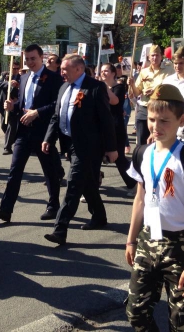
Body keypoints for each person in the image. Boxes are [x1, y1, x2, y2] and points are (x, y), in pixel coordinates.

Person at [124, 84, 184, 331]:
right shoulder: (142, 153)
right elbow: (140, 199)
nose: (156, 126)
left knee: (180, 321)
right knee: (136, 313)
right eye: (152, 119)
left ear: (181, 120)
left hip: (179, 247)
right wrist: (131, 240)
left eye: (164, 121)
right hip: (147, 240)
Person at [42, 54, 117, 245]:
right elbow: (56, 116)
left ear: (79, 69)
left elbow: (106, 120)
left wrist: (111, 148)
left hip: (89, 146)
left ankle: (60, 230)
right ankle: (99, 217)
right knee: (88, 183)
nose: (62, 72)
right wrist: (49, 138)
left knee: (73, 185)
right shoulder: (64, 87)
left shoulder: (95, 87)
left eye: (65, 69)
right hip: (70, 144)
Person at [0, 44, 63, 223]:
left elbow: (57, 105)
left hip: (44, 132)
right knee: (15, 170)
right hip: (23, 131)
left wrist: (37, 112)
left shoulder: (53, 78)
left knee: (50, 170)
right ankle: (6, 209)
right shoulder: (24, 78)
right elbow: (21, 105)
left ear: (41, 57)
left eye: (33, 59)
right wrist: (12, 107)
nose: (29, 62)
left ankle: (53, 206)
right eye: (27, 59)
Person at [100, 63, 137, 194]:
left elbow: (114, 101)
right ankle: (92, 185)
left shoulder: (119, 87)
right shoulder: (100, 87)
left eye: (106, 71)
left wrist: (104, 87)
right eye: (101, 71)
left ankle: (133, 184)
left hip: (116, 127)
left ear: (113, 73)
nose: (103, 73)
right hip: (102, 126)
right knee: (96, 156)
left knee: (119, 158)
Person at [127, 45, 173, 146]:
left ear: (161, 56)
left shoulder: (169, 70)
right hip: (144, 107)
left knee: (158, 139)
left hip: (160, 108)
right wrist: (132, 84)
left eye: (157, 55)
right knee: (141, 141)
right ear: (148, 57)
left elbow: (172, 88)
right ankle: (140, 160)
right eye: (152, 55)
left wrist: (155, 91)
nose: (154, 58)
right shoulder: (144, 72)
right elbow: (137, 92)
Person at [0, 64, 21, 155]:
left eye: (17, 68)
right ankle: (12, 138)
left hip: (14, 105)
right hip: (3, 104)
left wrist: (17, 86)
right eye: (14, 68)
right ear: (10, 68)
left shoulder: (22, 76)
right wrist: (8, 83)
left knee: (12, 125)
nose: (16, 70)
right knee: (4, 126)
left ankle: (7, 147)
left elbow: (23, 90)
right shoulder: (4, 75)